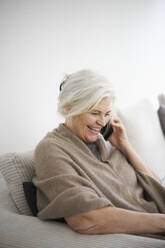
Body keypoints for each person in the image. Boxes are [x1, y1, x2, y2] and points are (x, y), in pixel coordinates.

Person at [33, 69, 165, 238]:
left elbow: (157, 189)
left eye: (107, 114)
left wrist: (125, 146)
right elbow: (85, 217)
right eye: (94, 113)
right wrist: (162, 223)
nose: (102, 122)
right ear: (68, 108)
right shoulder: (51, 149)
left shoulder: (107, 142)